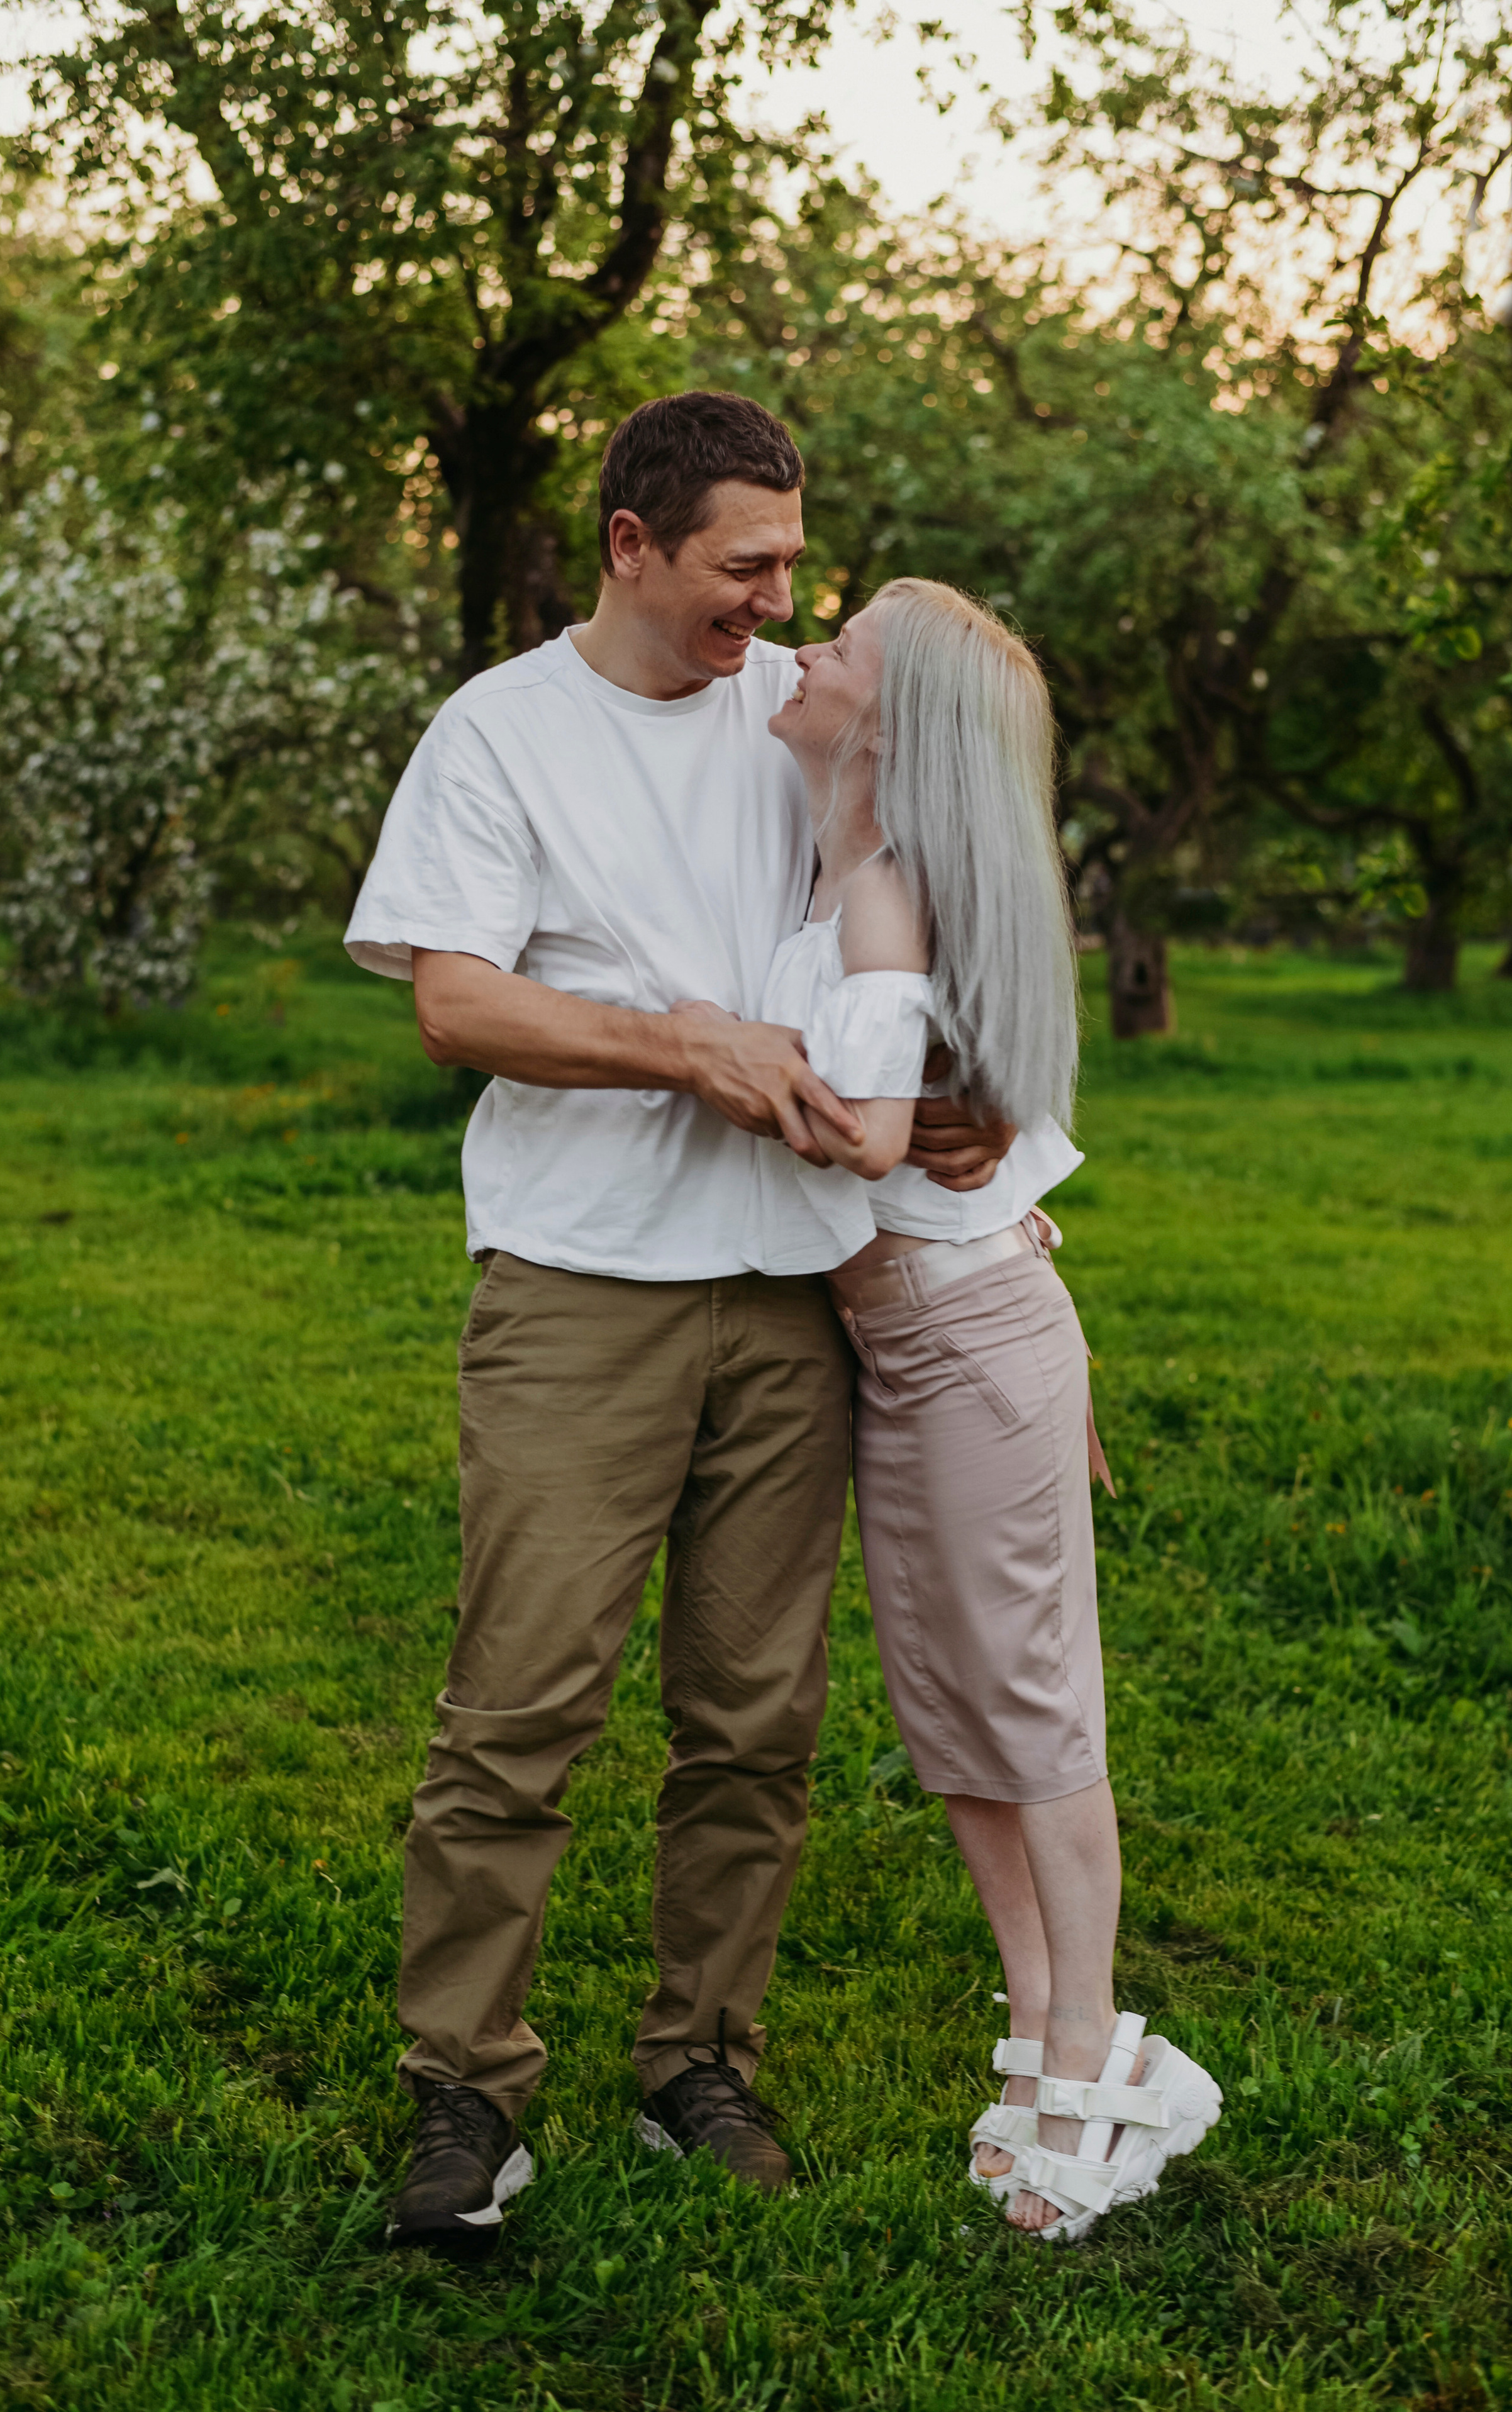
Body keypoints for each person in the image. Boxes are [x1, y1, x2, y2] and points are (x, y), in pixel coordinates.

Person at [343, 394, 1006, 2260]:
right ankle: (466, 2093)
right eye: (745, 564)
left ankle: (697, 2055)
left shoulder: (809, 712)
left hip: (798, 1293)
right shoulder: (500, 733)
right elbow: (458, 1004)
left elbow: (928, 923)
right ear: (631, 543)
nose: (779, 599)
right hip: (580, 1292)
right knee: (520, 1709)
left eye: (794, 561)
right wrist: (683, 1043)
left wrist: (955, 1094)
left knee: (756, 1720)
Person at [683, 576, 1223, 2242]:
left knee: (1035, 1707)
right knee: (953, 1713)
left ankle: (1096, 2058)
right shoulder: (847, 850)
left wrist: (743, 1063)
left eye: (832, 645)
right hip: (915, 1345)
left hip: (965, 1334)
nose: (799, 651)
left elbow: (864, 1121)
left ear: (891, 719)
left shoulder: (892, 884)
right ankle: (1043, 2025)